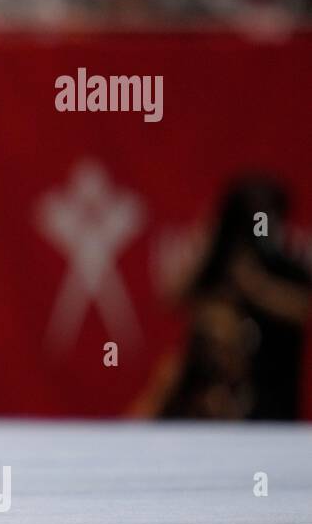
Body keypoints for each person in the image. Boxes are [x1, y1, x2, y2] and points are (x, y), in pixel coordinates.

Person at [133, 176, 310, 421]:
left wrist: (256, 287)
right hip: (205, 406)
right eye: (249, 218)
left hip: (270, 399)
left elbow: (303, 310)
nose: (259, 228)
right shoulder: (219, 265)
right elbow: (172, 297)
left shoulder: (287, 268)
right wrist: (212, 235)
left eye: (266, 217)